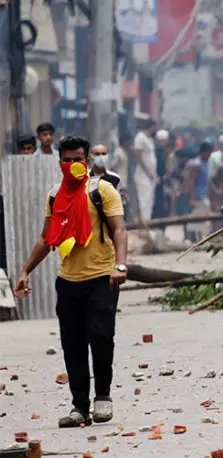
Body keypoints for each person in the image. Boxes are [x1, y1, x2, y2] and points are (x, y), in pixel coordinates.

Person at [13, 136, 127, 427]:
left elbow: (120, 231)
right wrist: (26, 270)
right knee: (73, 345)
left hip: (102, 278)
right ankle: (80, 407)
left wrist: (120, 265)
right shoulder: (54, 195)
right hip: (68, 281)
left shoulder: (102, 190)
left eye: (78, 159)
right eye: (67, 159)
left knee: (101, 337)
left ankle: (103, 397)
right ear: (59, 162)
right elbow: (46, 238)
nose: (72, 164)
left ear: (87, 161)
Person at [133, 120, 158, 222]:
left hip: (151, 174)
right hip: (143, 174)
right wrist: (147, 172)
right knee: (144, 197)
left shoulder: (150, 139)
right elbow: (138, 156)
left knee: (150, 199)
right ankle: (144, 221)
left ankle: (148, 220)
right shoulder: (140, 137)